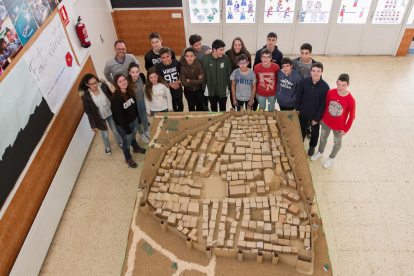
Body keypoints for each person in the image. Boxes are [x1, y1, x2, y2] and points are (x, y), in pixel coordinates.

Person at [310, 73, 355, 168]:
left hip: (339, 127)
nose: (340, 87)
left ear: (348, 85)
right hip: (326, 122)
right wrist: (322, 118)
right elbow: (326, 106)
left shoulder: (351, 100)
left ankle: (331, 158)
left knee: (337, 143)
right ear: (336, 83)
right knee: (322, 137)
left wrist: (346, 129)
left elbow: (352, 116)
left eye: (343, 85)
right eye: (339, 84)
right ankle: (320, 152)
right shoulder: (330, 92)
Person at [79, 74, 122, 156]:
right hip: (99, 117)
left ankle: (119, 142)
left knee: (115, 130)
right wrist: (93, 125)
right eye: (92, 84)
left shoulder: (104, 87)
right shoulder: (85, 96)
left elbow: (112, 97)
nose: (95, 85)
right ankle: (107, 146)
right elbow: (88, 111)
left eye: (95, 82)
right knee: (105, 133)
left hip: (109, 113)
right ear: (87, 85)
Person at [295, 62, 330, 157]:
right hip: (303, 111)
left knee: (315, 132)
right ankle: (300, 143)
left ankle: (312, 146)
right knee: (301, 128)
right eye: (313, 71)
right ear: (310, 71)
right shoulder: (304, 82)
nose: (315, 73)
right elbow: (299, 96)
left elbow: (324, 105)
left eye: (318, 71)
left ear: (322, 72)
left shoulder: (325, 87)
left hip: (314, 115)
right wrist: (297, 108)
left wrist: (317, 118)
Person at [111, 74, 146, 168]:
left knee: (133, 137)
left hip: (133, 121)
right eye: (120, 81)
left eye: (124, 80)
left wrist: (138, 118)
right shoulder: (116, 98)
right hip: (124, 125)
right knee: (126, 143)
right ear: (116, 84)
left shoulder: (130, 91)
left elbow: (134, 107)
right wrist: (126, 128)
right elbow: (119, 117)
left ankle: (136, 148)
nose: (123, 82)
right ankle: (128, 159)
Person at [181, 34, 211, 111]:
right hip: (193, 78)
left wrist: (211, 52)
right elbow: (181, 63)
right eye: (196, 45)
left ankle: (206, 106)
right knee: (193, 103)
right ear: (191, 46)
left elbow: (215, 54)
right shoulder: (186, 51)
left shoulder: (206, 48)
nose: (199, 47)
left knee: (204, 97)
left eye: (200, 44)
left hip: (203, 76)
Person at [201, 39, 232, 112]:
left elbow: (229, 73)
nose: (222, 52)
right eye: (220, 50)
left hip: (223, 89)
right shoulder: (206, 59)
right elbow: (203, 74)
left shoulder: (226, 58)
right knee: (213, 107)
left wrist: (229, 87)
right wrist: (204, 86)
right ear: (214, 50)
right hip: (211, 89)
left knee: (223, 108)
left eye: (223, 49)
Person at [225, 37, 252, 109]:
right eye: (235, 45)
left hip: (243, 82)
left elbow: (249, 68)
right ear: (232, 45)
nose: (237, 47)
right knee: (234, 99)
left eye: (239, 45)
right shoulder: (228, 54)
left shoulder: (246, 54)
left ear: (242, 45)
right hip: (233, 81)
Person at [127, 62, 150, 143]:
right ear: (129, 72)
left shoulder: (142, 76)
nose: (135, 74)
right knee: (137, 119)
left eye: (137, 71)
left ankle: (146, 130)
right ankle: (141, 133)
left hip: (142, 101)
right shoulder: (127, 83)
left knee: (144, 116)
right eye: (133, 72)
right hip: (134, 104)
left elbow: (146, 87)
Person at [155, 47, 183, 112]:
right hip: (167, 90)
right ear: (160, 58)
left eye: (167, 56)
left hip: (177, 87)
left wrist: (178, 81)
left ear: (170, 55)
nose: (166, 59)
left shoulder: (176, 62)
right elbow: (159, 79)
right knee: (171, 105)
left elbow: (181, 73)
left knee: (180, 103)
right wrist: (169, 84)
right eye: (163, 58)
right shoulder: (158, 66)